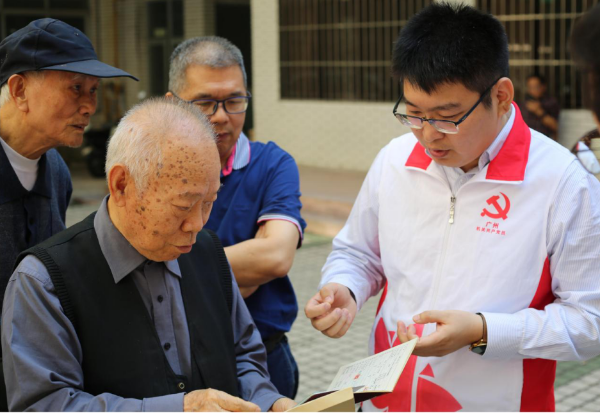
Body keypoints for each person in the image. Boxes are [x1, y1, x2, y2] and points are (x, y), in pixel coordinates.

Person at [305, 3, 600, 412]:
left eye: (447, 117)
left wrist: (483, 331)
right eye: (413, 114)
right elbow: (358, 252)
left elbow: (589, 322)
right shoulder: (394, 161)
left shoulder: (562, 182)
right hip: (385, 401)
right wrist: (345, 287)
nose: (428, 136)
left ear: (500, 96)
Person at [1, 97, 295, 412]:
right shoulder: (43, 282)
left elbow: (244, 355)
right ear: (121, 185)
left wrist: (267, 401)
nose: (196, 224)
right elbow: (45, 404)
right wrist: (178, 409)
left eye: (209, 202)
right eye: (183, 205)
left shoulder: (208, 251)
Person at [166, 37, 306, 399]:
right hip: (179, 369)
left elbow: (275, 257)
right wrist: (240, 273)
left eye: (234, 100)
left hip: (264, 360)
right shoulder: (154, 169)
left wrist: (174, 272)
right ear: (172, 103)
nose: (221, 116)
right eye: (204, 103)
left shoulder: (272, 165)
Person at [0, 18, 137, 309]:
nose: (90, 107)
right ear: (20, 90)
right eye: (76, 87)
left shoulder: (57, 171)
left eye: (93, 90)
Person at [521, 74, 560, 140]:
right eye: (530, 87)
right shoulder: (525, 102)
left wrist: (539, 111)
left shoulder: (550, 102)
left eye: (535, 87)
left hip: (543, 139)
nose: (532, 90)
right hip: (526, 138)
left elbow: (555, 126)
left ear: (543, 87)